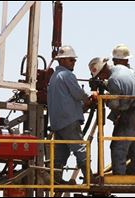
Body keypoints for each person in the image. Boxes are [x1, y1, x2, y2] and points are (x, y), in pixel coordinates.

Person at [88, 44, 135, 175]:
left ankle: (119, 175)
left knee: (118, 146)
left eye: (100, 76)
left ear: (103, 70)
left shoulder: (113, 80)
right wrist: (104, 85)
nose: (101, 78)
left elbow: (116, 104)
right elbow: (124, 86)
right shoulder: (125, 70)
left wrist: (102, 99)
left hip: (130, 113)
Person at [47, 45, 94, 184]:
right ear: (62, 61)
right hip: (69, 121)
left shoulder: (54, 77)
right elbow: (78, 94)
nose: (74, 63)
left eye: (74, 60)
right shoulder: (67, 75)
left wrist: (81, 106)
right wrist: (91, 97)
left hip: (57, 123)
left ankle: (56, 179)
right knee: (80, 148)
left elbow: (65, 99)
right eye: (71, 60)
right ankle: (89, 177)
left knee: (61, 153)